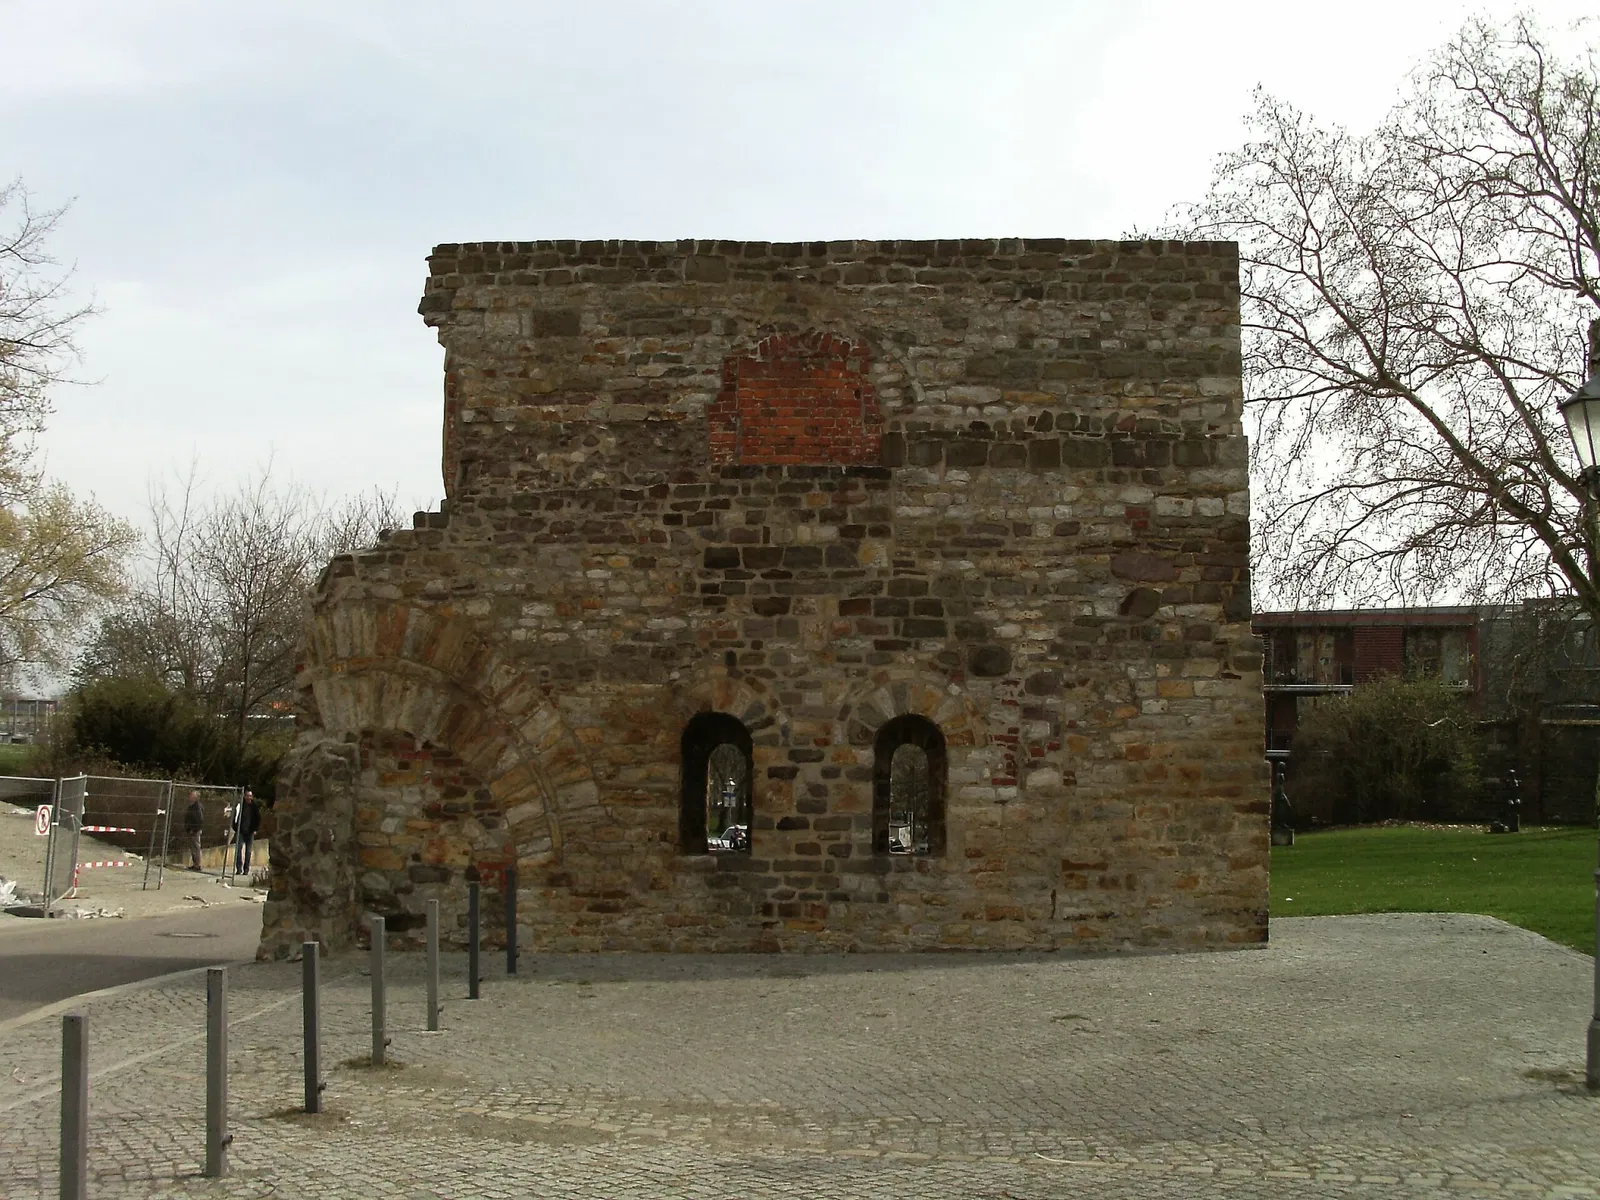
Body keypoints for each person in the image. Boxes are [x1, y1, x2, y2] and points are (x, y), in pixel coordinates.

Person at [234, 790, 261, 875]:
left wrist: (255, 829)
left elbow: (258, 818)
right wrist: (235, 828)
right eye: (247, 796)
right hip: (241, 831)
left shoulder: (254, 807)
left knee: (248, 851)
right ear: (245, 796)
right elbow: (235, 817)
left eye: (250, 796)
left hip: (250, 832)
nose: (249, 797)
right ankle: (239, 868)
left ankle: (246, 869)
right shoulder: (241, 806)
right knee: (238, 850)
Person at [183, 790, 205, 871]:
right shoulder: (191, 806)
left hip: (194, 830)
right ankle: (195, 864)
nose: (190, 797)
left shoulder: (197, 807)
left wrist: (194, 829)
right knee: (193, 847)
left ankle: (198, 865)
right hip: (190, 829)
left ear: (196, 797)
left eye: (192, 795)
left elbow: (200, 820)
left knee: (196, 847)